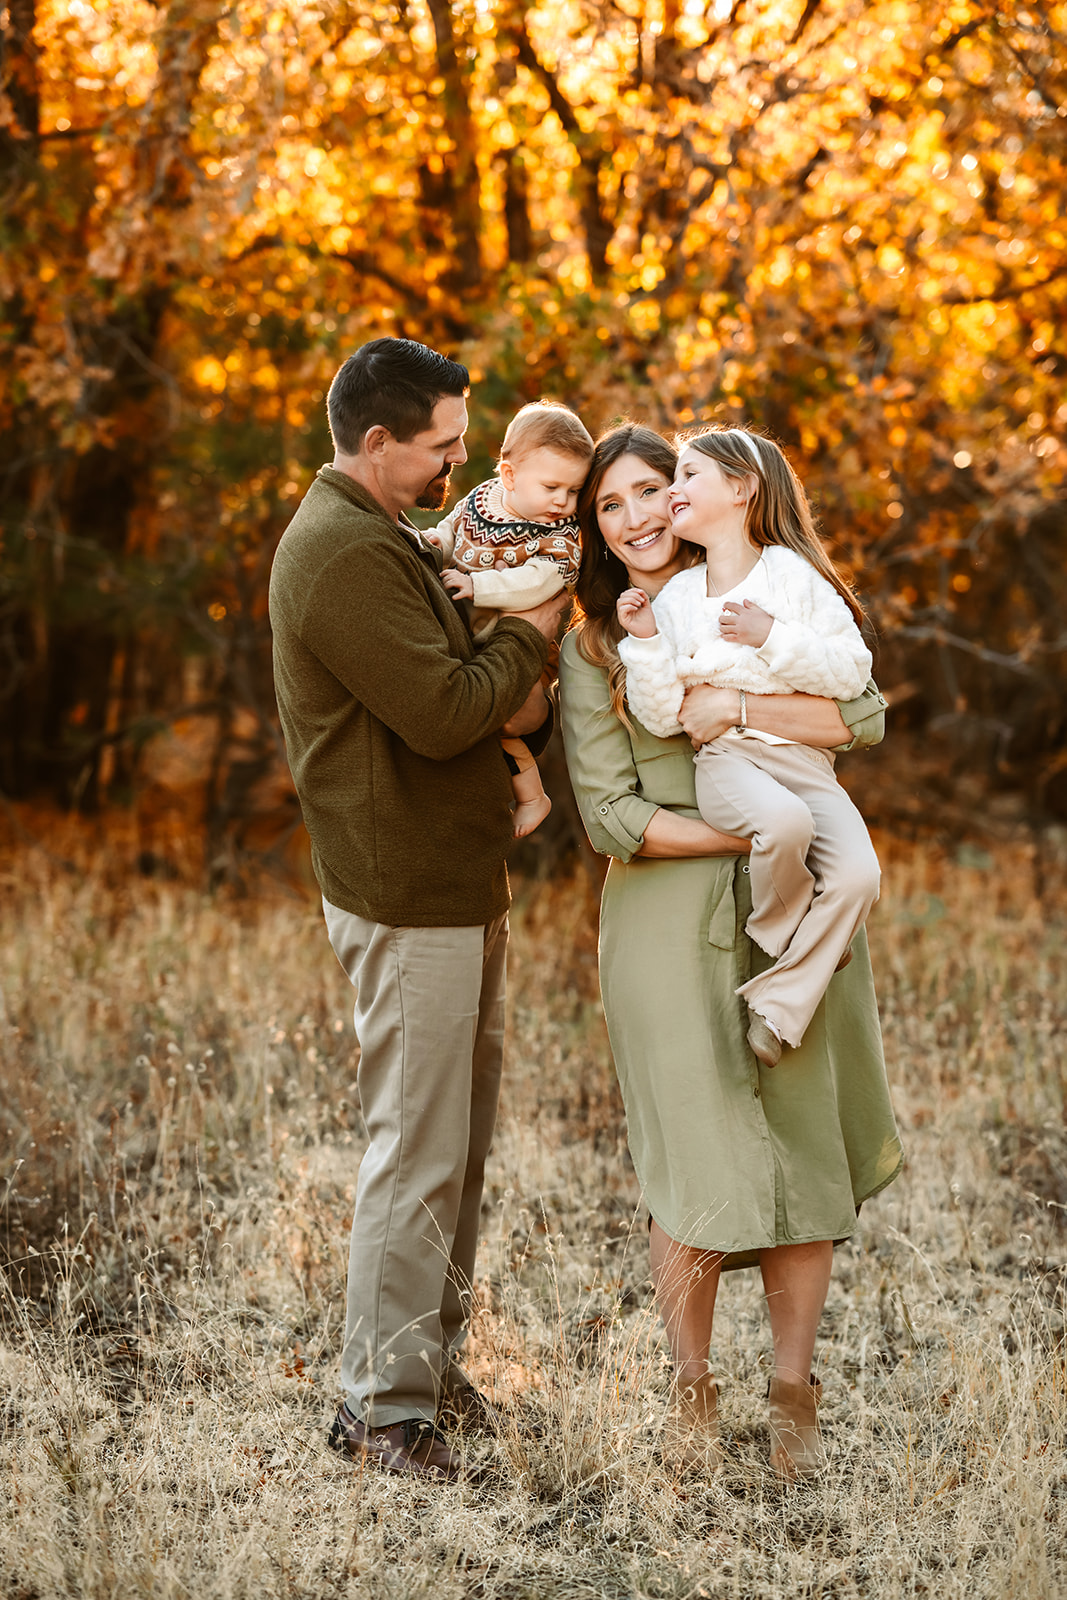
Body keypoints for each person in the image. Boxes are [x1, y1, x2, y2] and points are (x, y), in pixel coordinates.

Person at [559, 423, 902, 1482]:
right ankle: (690, 1399)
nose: (635, 517)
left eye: (651, 491)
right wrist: (744, 832)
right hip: (668, 921)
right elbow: (614, 817)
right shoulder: (593, 645)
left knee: (800, 1146)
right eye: (608, 506)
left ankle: (793, 1402)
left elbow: (861, 716)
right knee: (694, 1163)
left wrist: (747, 710)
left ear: (690, 496)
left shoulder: (767, 589)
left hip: (794, 902)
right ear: (596, 528)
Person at [269, 337, 568, 1483]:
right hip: (404, 897)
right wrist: (530, 634)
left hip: (452, 880)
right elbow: (446, 711)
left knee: (457, 1148)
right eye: (442, 445)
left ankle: (425, 1379)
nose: (460, 463)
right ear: (377, 440)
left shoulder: (390, 533)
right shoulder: (340, 554)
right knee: (414, 1150)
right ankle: (382, 1413)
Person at [615, 427, 881, 1068]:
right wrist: (648, 642)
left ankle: (776, 1007)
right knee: (784, 824)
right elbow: (662, 715)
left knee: (859, 876)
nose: (671, 492)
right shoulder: (677, 598)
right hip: (730, 762)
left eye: (686, 476)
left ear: (741, 488)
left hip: (807, 763)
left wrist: (772, 637)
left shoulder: (793, 579)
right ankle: (793, 931)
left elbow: (851, 673)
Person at [427, 400, 593, 837]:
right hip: (480, 638)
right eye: (553, 487)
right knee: (475, 716)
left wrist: (480, 586)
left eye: (574, 491)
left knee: (501, 716)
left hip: (529, 652)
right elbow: (454, 526)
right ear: (509, 475)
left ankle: (533, 795)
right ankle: (523, 797)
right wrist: (434, 541)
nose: (563, 501)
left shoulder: (561, 533)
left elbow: (539, 582)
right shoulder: (484, 499)